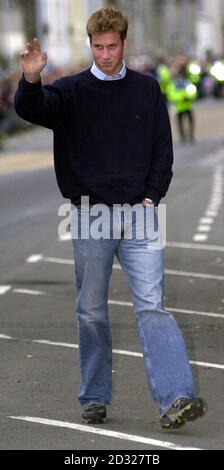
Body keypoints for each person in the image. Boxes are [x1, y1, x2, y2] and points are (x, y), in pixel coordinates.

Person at [14, 8, 206, 430]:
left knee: (152, 306)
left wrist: (152, 198)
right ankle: (95, 396)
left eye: (112, 46)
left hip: (141, 215)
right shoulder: (69, 92)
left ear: (124, 43)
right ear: (90, 45)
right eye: (98, 47)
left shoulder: (147, 90)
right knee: (91, 312)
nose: (104, 55)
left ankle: (177, 397)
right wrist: (30, 80)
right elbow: (33, 109)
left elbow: (162, 149)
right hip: (88, 215)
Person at [167, 68, 197, 144]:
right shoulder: (173, 85)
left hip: (188, 106)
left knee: (191, 122)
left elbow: (193, 92)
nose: (180, 78)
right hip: (179, 108)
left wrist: (189, 97)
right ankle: (182, 137)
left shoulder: (187, 83)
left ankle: (191, 136)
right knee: (180, 123)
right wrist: (182, 97)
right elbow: (171, 95)